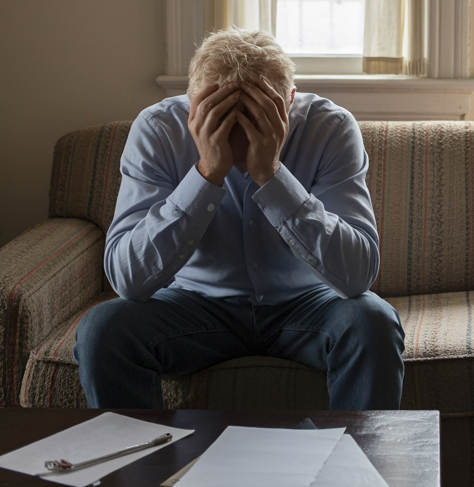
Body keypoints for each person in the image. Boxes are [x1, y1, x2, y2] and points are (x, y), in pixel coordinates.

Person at [74, 28, 405, 410]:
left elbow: (359, 274)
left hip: (307, 303)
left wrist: (272, 175)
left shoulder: (330, 128)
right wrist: (205, 173)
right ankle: (143, 467)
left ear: (290, 102)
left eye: (257, 116)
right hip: (193, 305)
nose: (239, 133)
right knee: (104, 330)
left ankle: (354, 468)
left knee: (373, 322)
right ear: (192, 104)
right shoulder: (158, 130)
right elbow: (128, 279)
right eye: (220, 114)